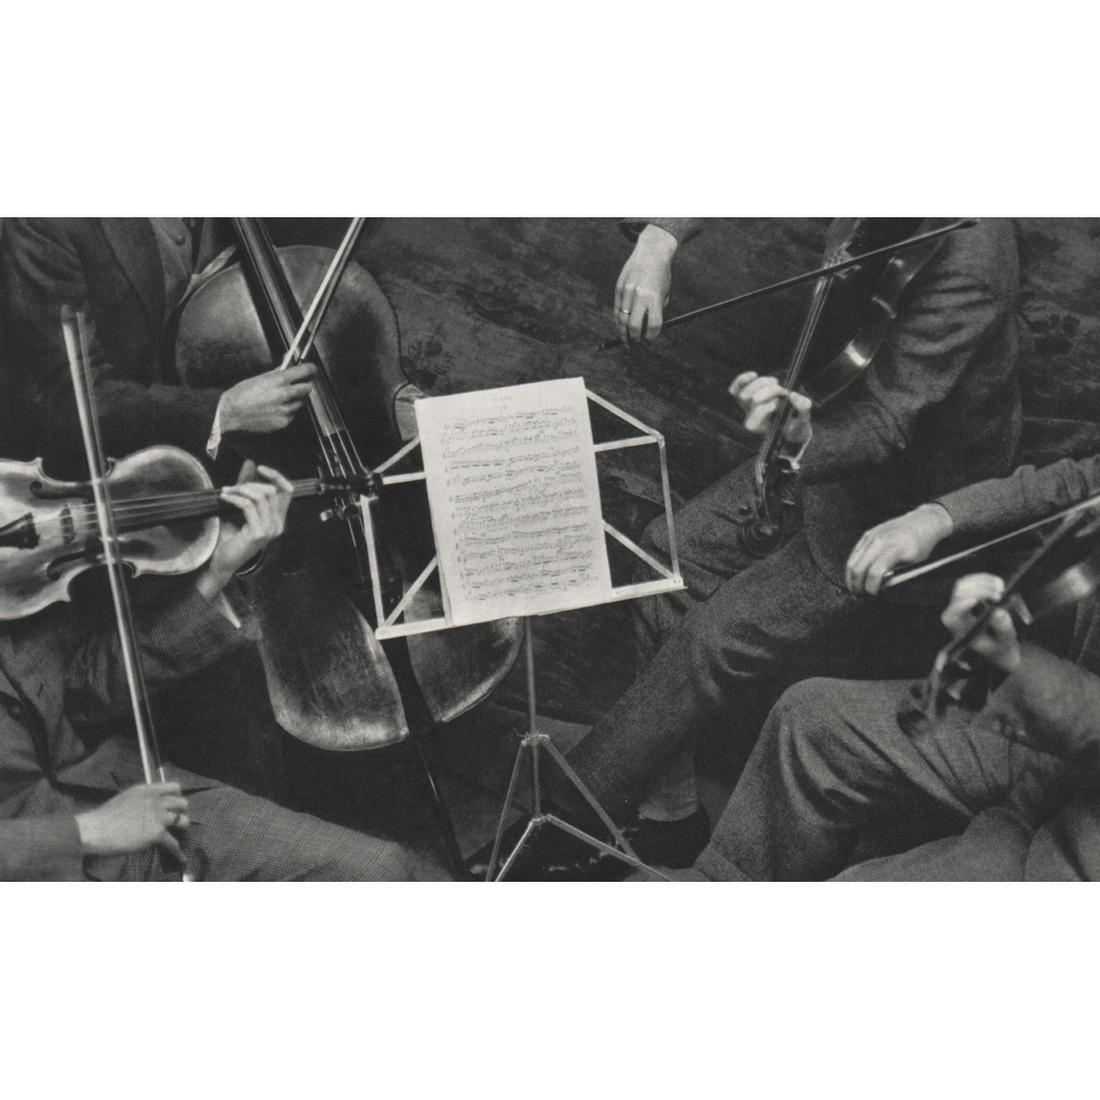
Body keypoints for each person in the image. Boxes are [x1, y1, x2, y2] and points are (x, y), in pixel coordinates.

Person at [556, 217, 1022, 868]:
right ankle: (669, 817)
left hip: (904, 503)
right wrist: (661, 237)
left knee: (710, 644)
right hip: (825, 434)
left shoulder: (973, 257)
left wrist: (791, 446)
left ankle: (564, 816)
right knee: (666, 553)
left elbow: (888, 421)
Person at [0, 460, 445, 881]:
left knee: (384, 869)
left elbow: (84, 687)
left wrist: (219, 568)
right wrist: (89, 831)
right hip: (50, 856)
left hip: (116, 790)